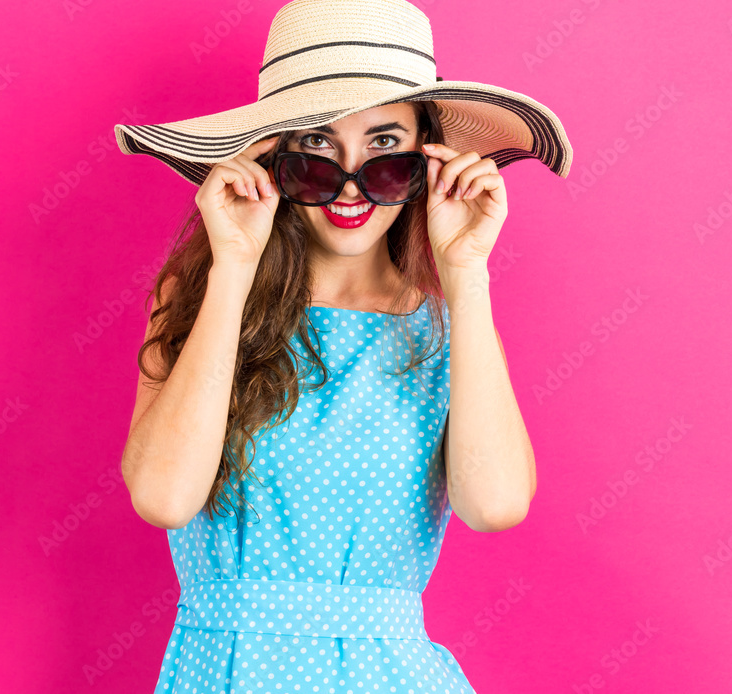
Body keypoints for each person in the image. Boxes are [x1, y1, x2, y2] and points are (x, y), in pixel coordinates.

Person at [114, 0, 572, 691]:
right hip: (222, 670)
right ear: (274, 156)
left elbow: (496, 504)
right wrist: (234, 267)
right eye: (319, 149)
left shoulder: (445, 329)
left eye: (386, 149)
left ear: (428, 162)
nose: (352, 184)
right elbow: (163, 496)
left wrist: (465, 273)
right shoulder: (200, 295)